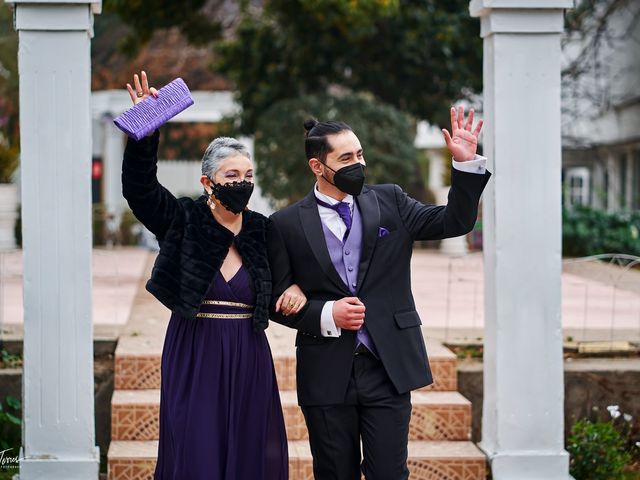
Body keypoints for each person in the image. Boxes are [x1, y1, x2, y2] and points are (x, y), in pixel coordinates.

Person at [267, 107, 491, 479]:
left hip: (387, 364)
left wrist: (465, 167)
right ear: (317, 166)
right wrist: (326, 314)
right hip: (325, 370)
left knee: (389, 473)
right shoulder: (285, 224)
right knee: (334, 473)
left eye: (359, 154)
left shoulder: (391, 201)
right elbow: (275, 299)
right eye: (347, 158)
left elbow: (455, 221)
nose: (360, 163)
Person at [122, 71, 305, 479]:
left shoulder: (261, 228)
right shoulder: (182, 219)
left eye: (247, 176)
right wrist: (144, 131)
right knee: (196, 446)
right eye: (231, 177)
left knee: (249, 446)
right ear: (208, 183)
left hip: (249, 351)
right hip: (194, 350)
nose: (242, 184)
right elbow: (140, 190)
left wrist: (293, 285)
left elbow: (289, 276)